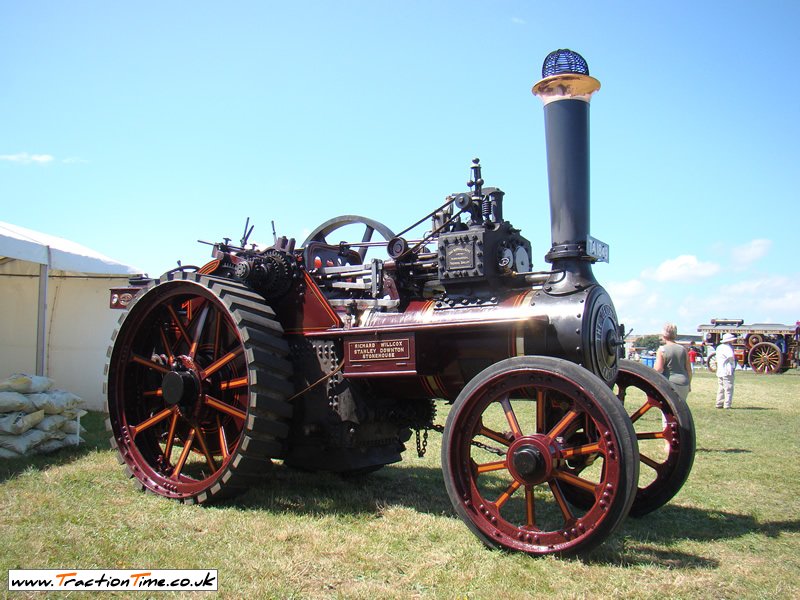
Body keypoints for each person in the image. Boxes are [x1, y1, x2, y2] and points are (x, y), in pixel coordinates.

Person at [654, 323, 692, 401]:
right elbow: (689, 370)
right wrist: (689, 384)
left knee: (668, 410)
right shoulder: (683, 349)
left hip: (669, 383)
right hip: (684, 383)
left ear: (663, 335)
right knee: (681, 409)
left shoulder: (662, 350)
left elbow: (658, 369)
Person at [715, 332, 737, 409]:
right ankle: (727, 404)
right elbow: (731, 357)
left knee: (721, 387)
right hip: (727, 370)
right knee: (728, 388)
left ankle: (719, 403)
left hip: (720, 370)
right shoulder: (727, 348)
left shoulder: (719, 347)